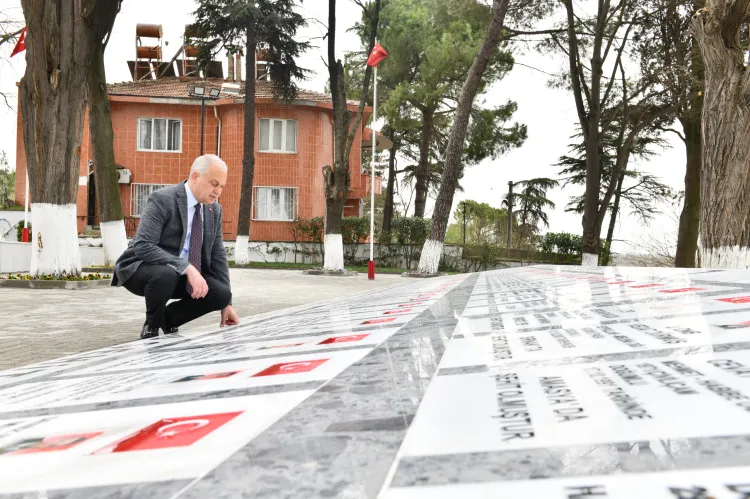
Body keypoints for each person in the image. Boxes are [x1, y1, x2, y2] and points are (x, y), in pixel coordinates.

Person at [112, 154, 240, 339]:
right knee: (166, 274)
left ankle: (168, 319)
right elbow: (143, 245)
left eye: (221, 186)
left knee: (221, 293)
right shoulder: (163, 199)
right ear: (195, 177)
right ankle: (152, 326)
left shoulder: (214, 210)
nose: (218, 191)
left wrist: (227, 304)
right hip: (143, 270)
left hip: (182, 275)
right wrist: (186, 267)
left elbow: (218, 255)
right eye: (214, 183)